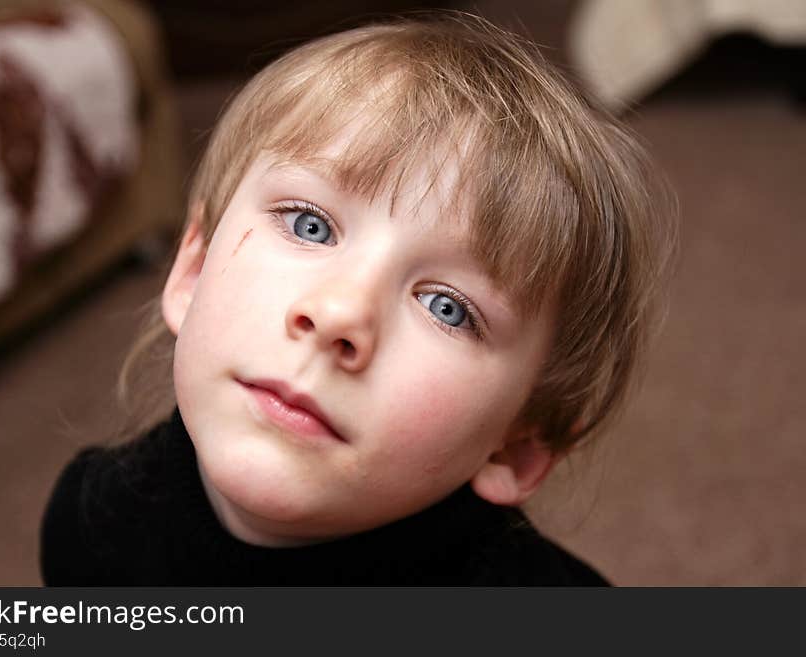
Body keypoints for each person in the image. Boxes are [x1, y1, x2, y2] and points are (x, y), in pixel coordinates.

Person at [40, 12, 676, 585]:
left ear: (513, 447)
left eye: (447, 307)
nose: (339, 313)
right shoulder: (92, 522)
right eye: (309, 224)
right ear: (193, 270)